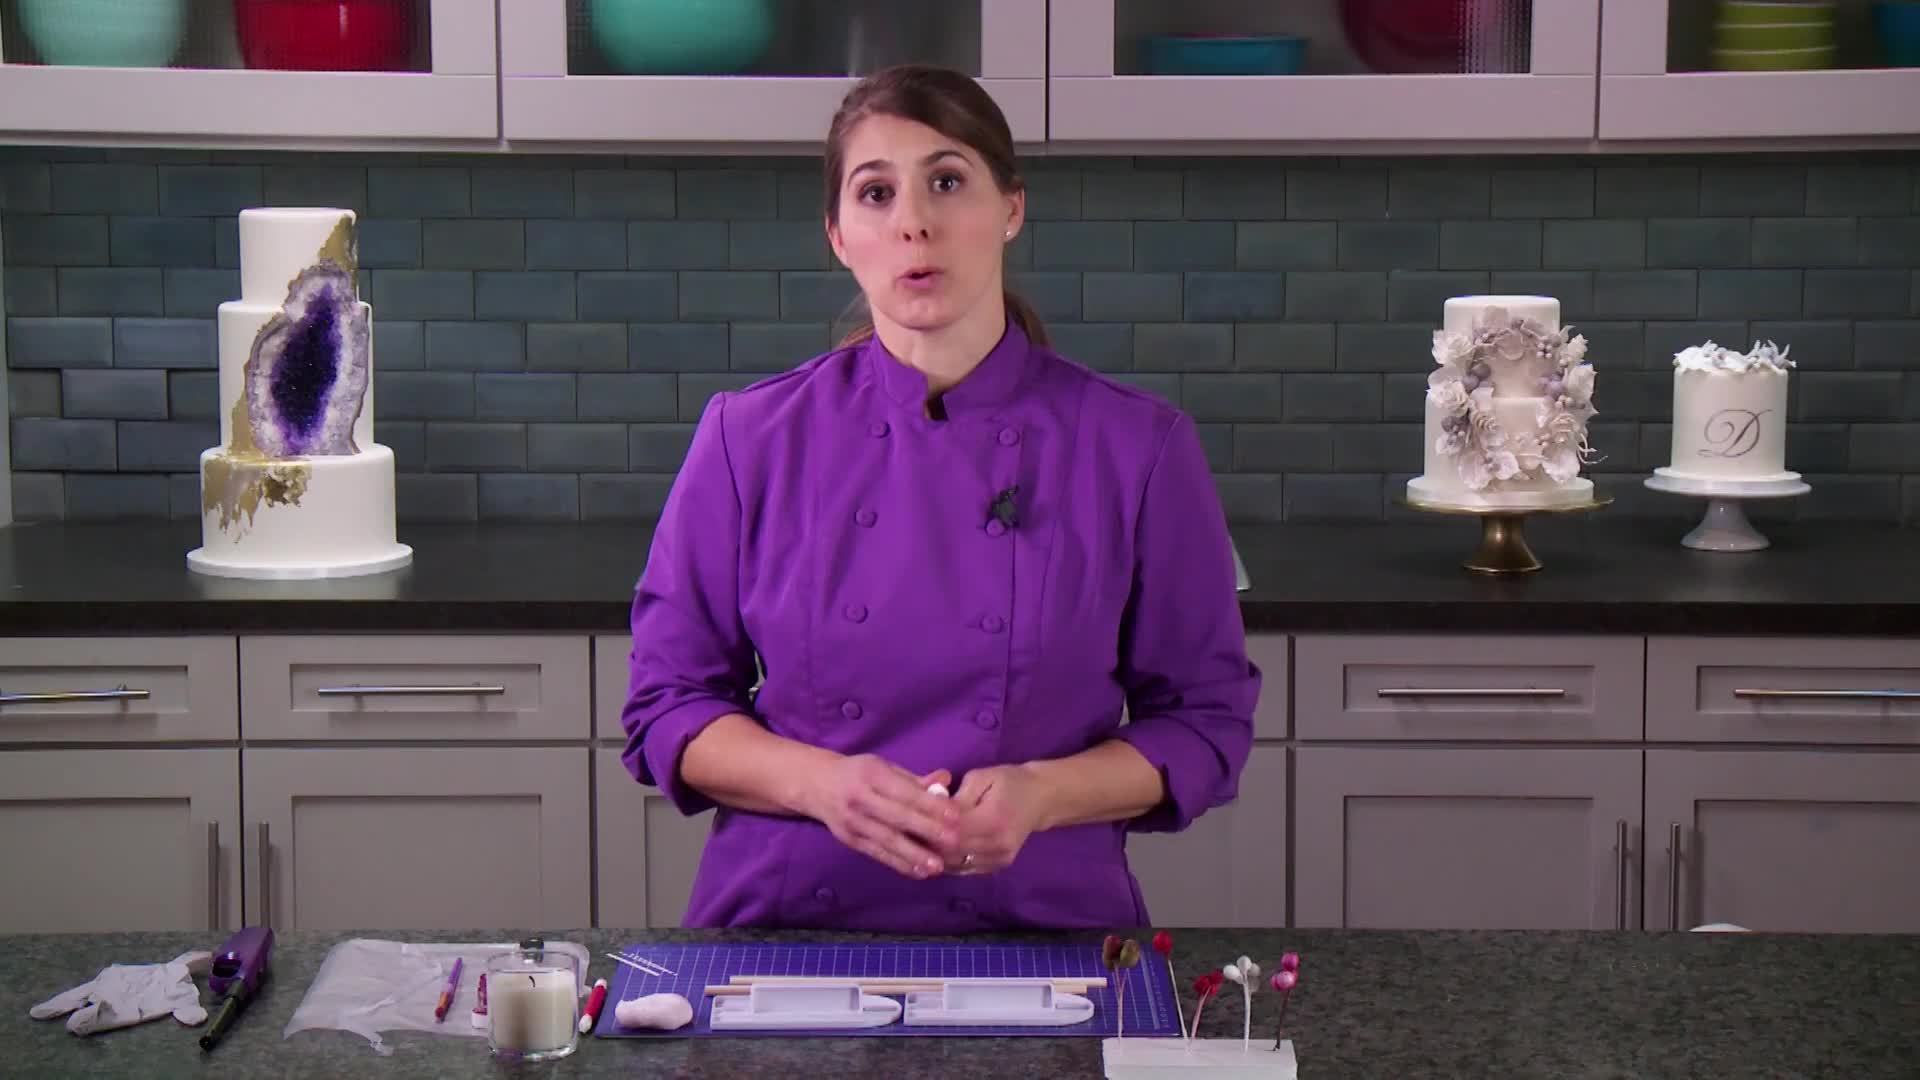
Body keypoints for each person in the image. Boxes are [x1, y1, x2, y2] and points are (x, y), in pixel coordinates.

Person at [621, 64, 1259, 932]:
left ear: (1011, 208)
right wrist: (823, 785)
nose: (914, 223)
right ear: (840, 235)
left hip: (1043, 923)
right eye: (875, 193)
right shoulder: (750, 438)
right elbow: (669, 706)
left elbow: (1204, 724)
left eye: (947, 181)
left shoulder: (1136, 448)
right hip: (784, 922)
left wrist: (1044, 794)